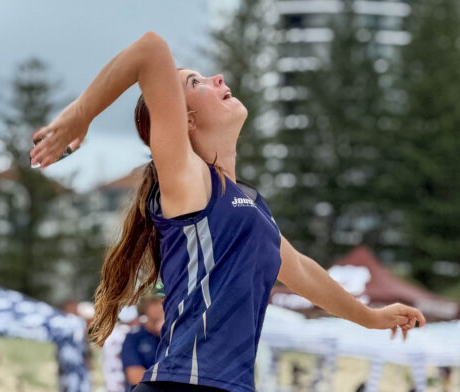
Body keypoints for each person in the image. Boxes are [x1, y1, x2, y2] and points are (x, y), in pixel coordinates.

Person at [30, 31, 426, 392]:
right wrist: (80, 114)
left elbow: (303, 271)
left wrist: (370, 317)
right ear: (184, 121)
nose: (217, 78)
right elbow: (150, 49)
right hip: (182, 383)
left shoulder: (250, 207)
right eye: (196, 83)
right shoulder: (190, 180)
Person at [122, 289, 165, 390]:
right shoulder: (134, 337)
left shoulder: (174, 336)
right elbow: (135, 376)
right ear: (145, 306)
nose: (161, 307)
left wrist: (164, 334)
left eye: (164, 301)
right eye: (155, 302)